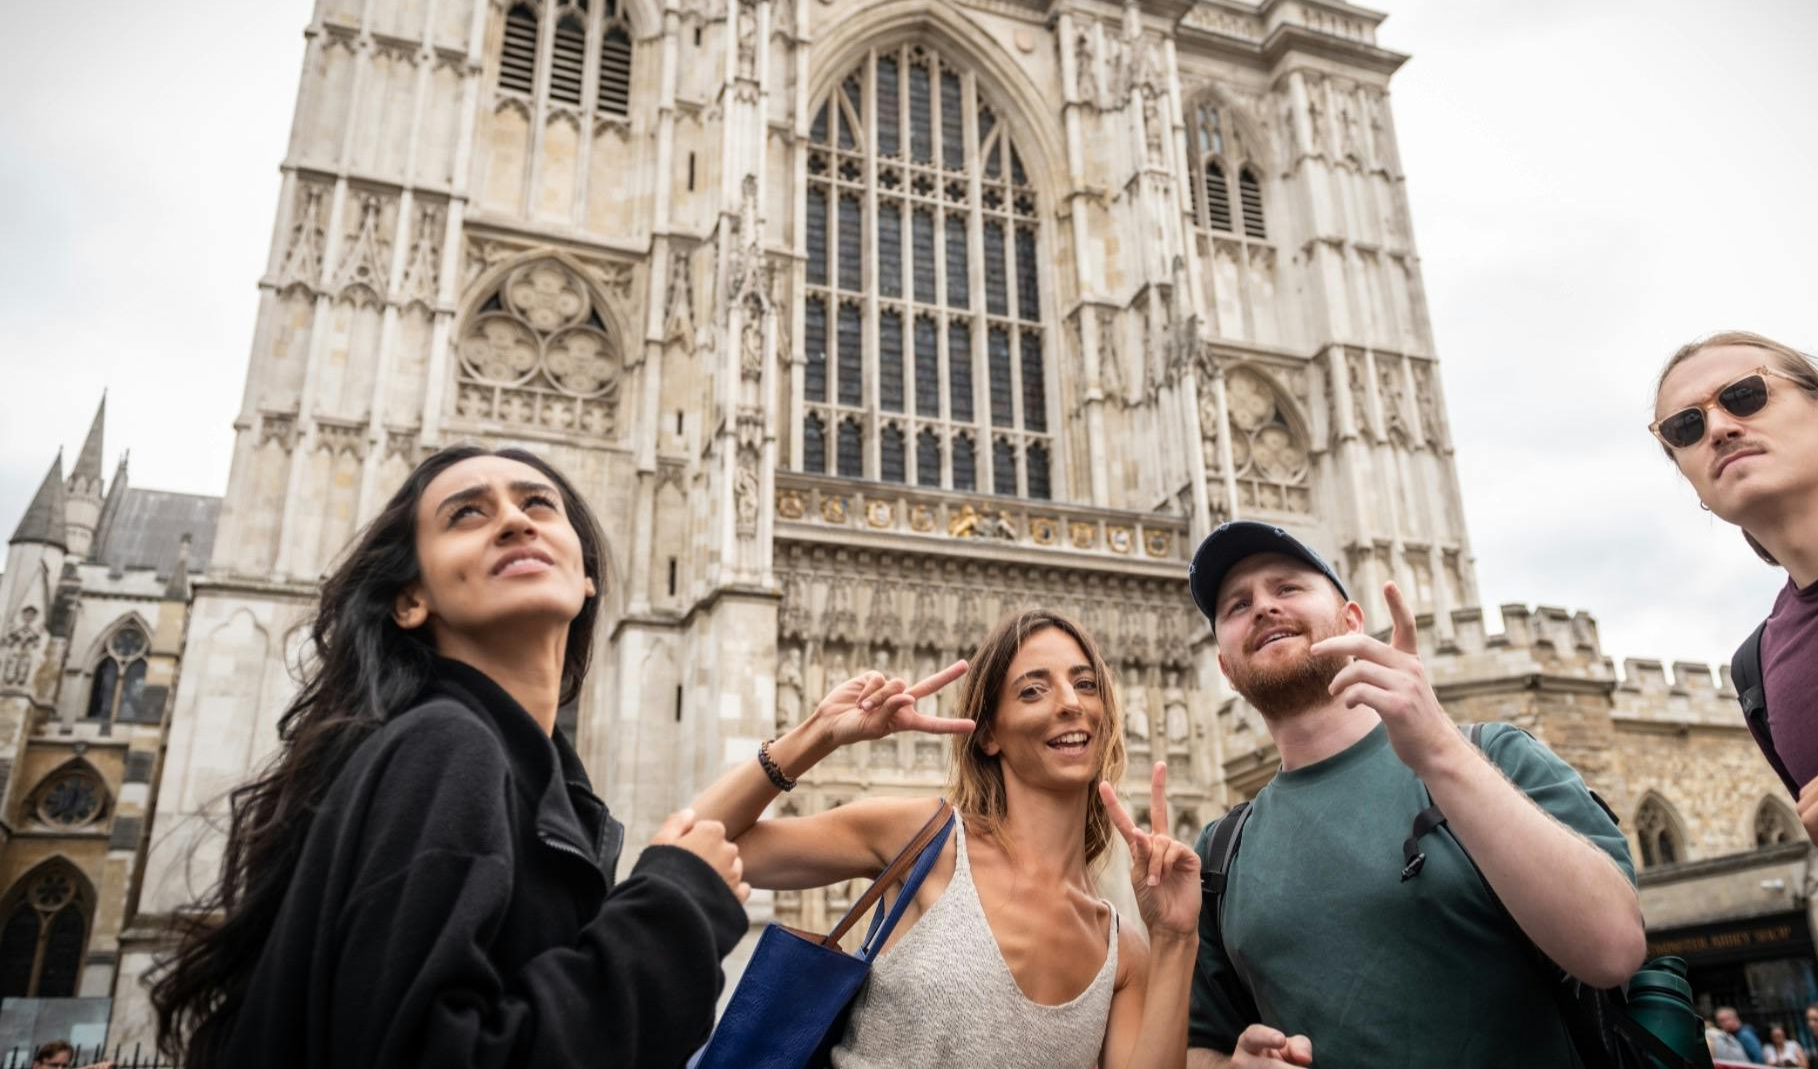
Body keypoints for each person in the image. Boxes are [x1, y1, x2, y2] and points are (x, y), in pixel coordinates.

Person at [146, 446, 750, 1067]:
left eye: (539, 503)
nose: (515, 521)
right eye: (466, 514)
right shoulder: (445, 747)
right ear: (410, 599)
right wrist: (678, 906)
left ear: (586, 575)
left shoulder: (520, 767)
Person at [1181, 522, 1645, 1068]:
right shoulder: (1220, 853)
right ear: (1225, 669)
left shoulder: (1493, 755)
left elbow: (1613, 950)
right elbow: (1197, 1046)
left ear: (1353, 622)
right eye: (1237, 606)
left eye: (1286, 589)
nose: (1262, 607)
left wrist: (1438, 751)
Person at [688, 608, 1203, 1068]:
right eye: (1033, 689)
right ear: (988, 734)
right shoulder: (924, 843)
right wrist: (818, 733)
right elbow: (693, 846)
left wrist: (1177, 936)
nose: (1070, 703)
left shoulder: (1123, 950)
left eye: (1086, 684)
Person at [1651, 333, 1818, 1066]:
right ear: (1695, 484)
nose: (1720, 426)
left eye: (1745, 394)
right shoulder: (1762, 672)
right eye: (1685, 426)